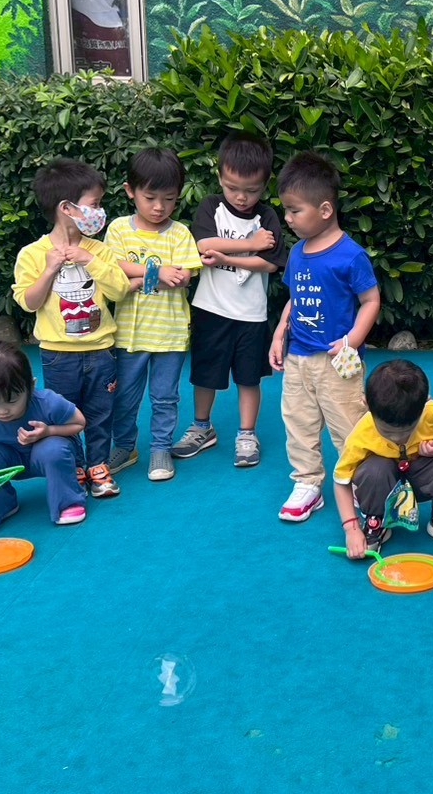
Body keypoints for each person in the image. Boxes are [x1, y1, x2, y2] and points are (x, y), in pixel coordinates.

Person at [268, 151, 381, 522]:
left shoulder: (351, 256)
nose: (287, 218)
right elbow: (295, 298)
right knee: (298, 423)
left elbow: (371, 300)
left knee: (349, 424)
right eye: (285, 210)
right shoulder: (298, 252)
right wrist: (279, 332)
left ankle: (362, 481)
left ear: (325, 209)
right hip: (298, 357)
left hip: (338, 361)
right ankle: (307, 483)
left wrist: (352, 340)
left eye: (294, 210)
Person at [12, 159, 133, 499]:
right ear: (67, 208)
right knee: (64, 414)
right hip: (58, 354)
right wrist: (49, 270)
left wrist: (89, 260)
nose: (99, 212)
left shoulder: (99, 250)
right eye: (94, 204)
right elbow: (28, 302)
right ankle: (75, 466)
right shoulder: (32, 254)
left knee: (100, 413)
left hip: (100, 351)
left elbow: (119, 290)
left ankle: (98, 466)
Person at [171, 135, 284, 468]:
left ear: (265, 184)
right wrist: (249, 244)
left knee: (249, 378)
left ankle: (247, 433)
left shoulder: (268, 217)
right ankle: (201, 427)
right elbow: (203, 243)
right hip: (210, 309)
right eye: (233, 187)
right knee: (205, 374)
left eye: (252, 190)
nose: (242, 197)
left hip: (251, 315)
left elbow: (271, 264)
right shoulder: (211, 206)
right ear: (220, 177)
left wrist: (226, 256)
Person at [103, 148, 202, 483]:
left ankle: (160, 448)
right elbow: (112, 265)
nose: (159, 207)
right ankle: (125, 446)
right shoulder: (118, 229)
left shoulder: (180, 233)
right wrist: (157, 271)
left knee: (165, 397)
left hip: (170, 334)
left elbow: (185, 275)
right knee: (124, 396)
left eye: (169, 199)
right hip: (128, 336)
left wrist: (146, 274)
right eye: (150, 198)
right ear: (130, 190)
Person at [331, 359, 433, 556]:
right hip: (384, 485)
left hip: (422, 479)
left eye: (407, 430)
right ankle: (376, 521)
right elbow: (341, 481)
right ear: (367, 405)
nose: (397, 438)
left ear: (426, 403)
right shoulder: (360, 436)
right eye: (387, 432)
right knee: (373, 470)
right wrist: (351, 529)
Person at [0, 341, 87, 527]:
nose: (1, 411)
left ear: (31, 386)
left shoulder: (47, 402)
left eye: (11, 400)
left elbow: (79, 423)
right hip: (8, 464)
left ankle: (67, 501)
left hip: (48, 458)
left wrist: (48, 431)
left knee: (53, 448)